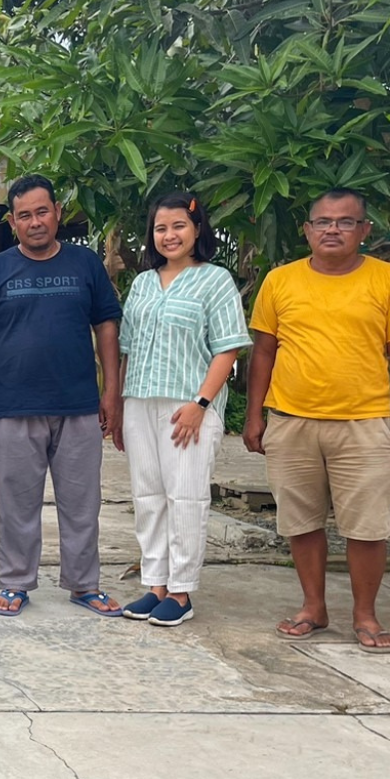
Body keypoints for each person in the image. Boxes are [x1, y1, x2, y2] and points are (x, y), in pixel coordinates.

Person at [243, 187, 390, 654]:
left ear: (364, 230)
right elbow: (263, 351)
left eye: (345, 222)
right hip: (291, 421)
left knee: (367, 526)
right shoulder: (280, 281)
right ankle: (313, 607)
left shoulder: (388, 280)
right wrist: (254, 415)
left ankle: (365, 614)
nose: (333, 229)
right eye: (323, 221)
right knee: (300, 521)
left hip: (363, 423)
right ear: (307, 230)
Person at [0, 174, 124, 618]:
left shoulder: (85, 264)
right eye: (24, 215)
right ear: (13, 222)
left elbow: (106, 327)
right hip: (16, 406)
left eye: (42, 212)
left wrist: (112, 392)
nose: (34, 222)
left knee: (83, 503)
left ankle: (84, 584)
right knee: (16, 504)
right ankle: (15, 583)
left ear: (58, 213)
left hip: (79, 406)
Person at [115, 194, 251, 627]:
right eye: (161, 228)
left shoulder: (215, 280)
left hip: (189, 405)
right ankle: (155, 584)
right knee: (148, 496)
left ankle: (181, 591)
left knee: (186, 497)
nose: (169, 235)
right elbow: (127, 350)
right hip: (139, 402)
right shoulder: (143, 283)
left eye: (178, 226)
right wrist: (119, 406)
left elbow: (227, 348)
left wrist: (200, 404)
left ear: (197, 230)